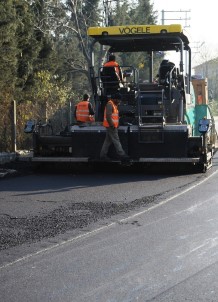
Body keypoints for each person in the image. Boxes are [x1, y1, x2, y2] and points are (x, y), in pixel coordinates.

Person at [100, 93, 129, 161]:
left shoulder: (113, 105)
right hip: (111, 126)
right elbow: (108, 116)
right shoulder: (110, 104)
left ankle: (102, 155)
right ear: (115, 99)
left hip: (112, 126)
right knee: (116, 140)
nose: (119, 101)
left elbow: (114, 116)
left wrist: (117, 124)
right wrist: (112, 125)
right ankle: (122, 154)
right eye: (119, 100)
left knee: (107, 141)